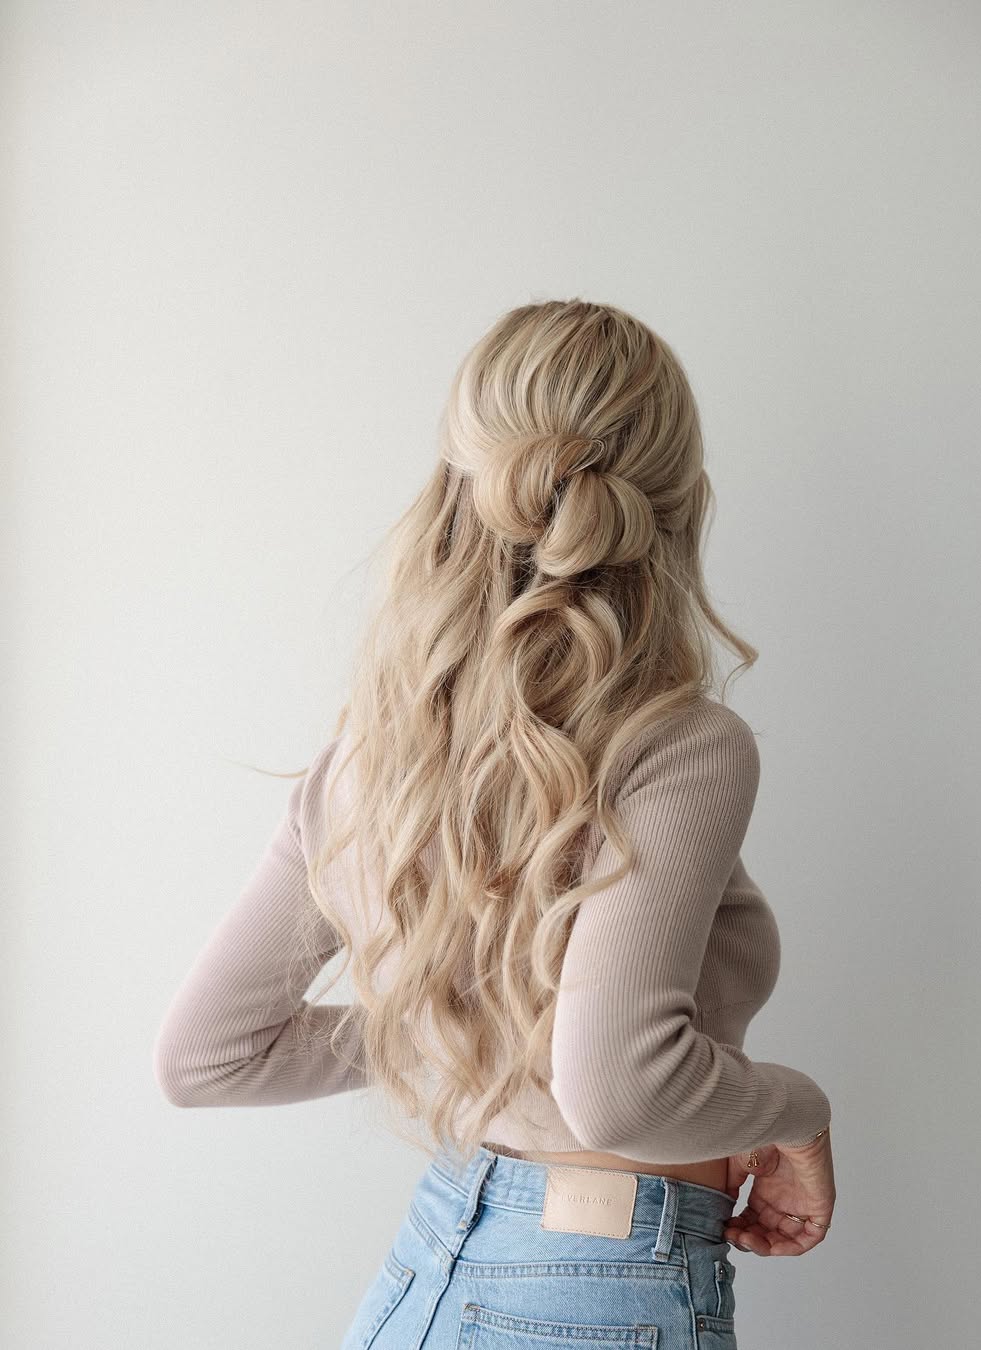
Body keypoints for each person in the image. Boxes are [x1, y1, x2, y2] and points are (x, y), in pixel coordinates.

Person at [153, 298, 836, 1348]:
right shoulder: (682, 747)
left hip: (428, 1271)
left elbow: (206, 1056)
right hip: (598, 1294)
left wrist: (468, 1024)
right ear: (682, 501)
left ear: (457, 487)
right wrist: (799, 1111)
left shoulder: (371, 754)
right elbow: (620, 1094)